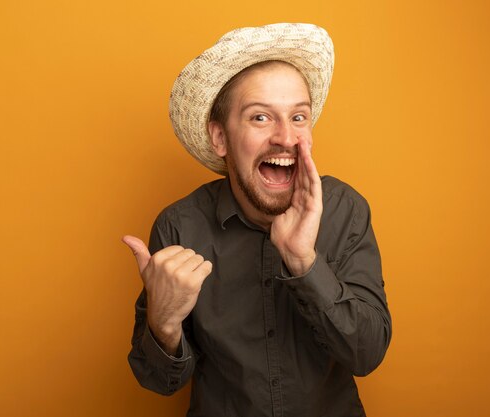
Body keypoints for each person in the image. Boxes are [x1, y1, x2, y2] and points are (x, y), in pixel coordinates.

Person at [122, 23, 392, 417]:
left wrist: (305, 263)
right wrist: (163, 326)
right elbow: (158, 381)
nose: (285, 137)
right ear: (220, 138)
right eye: (261, 118)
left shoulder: (345, 210)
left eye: (298, 117)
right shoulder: (180, 228)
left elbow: (367, 354)